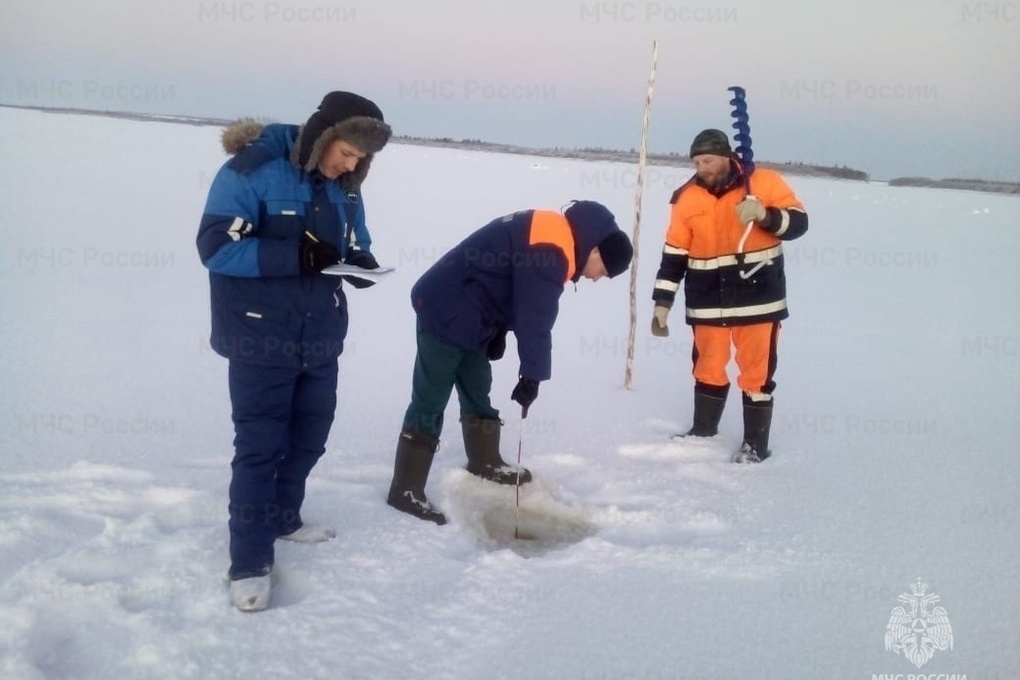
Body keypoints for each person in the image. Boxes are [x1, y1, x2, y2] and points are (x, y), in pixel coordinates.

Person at [196, 91, 391, 611]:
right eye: (347, 152)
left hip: (320, 337)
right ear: (323, 136)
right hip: (259, 338)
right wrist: (295, 254)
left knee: (308, 439)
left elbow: (355, 242)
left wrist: (363, 264)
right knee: (260, 449)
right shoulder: (252, 170)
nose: (351, 165)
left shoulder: (347, 189)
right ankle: (249, 562)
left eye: (360, 159)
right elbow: (215, 249)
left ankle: (284, 519)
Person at [387, 201, 634, 525]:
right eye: (603, 272)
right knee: (430, 398)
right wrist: (532, 375)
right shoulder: (553, 248)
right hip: (445, 310)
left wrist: (499, 329)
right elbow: (535, 317)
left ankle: (484, 460)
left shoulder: (555, 234)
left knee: (477, 389)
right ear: (596, 251)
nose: (597, 279)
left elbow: (508, 280)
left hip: (473, 315)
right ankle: (405, 490)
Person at [651, 129, 808, 463]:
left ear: (726, 157)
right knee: (707, 367)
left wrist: (766, 216)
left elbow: (799, 224)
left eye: (707, 160)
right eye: (696, 161)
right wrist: (662, 302)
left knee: (756, 374)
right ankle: (703, 432)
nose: (701, 167)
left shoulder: (764, 183)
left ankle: (755, 445)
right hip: (707, 302)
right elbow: (675, 253)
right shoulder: (685, 198)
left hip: (759, 300)